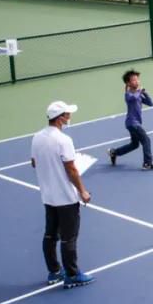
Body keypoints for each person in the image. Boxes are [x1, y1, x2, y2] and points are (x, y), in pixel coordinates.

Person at [30, 100, 94, 289]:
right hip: (66, 198)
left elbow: (34, 163)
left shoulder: (36, 137)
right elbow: (71, 169)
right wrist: (83, 191)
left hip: (48, 197)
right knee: (69, 238)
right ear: (59, 118)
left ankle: (54, 272)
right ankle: (72, 275)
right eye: (67, 114)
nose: (69, 117)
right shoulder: (64, 140)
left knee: (50, 235)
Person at [107, 69, 153, 170]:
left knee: (134, 144)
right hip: (133, 123)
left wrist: (145, 93)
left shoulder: (138, 94)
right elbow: (134, 98)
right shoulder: (128, 94)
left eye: (137, 79)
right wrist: (139, 91)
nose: (137, 81)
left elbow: (150, 103)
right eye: (134, 80)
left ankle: (114, 152)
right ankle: (147, 163)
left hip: (133, 124)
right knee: (146, 140)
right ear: (128, 83)